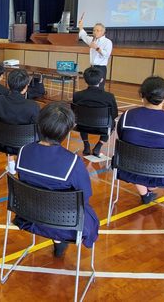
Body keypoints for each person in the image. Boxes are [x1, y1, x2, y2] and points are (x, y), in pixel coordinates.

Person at [15, 102, 99, 257]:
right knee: (88, 215)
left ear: (39, 124)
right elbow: (85, 196)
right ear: (67, 131)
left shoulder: (23, 151)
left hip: (28, 215)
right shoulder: (72, 162)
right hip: (63, 223)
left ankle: (58, 242)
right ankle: (59, 241)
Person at [117, 76, 164, 204]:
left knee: (133, 156)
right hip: (163, 175)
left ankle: (145, 192)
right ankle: (149, 186)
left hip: (128, 169)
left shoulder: (127, 116)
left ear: (141, 94)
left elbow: (122, 138)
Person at [0, 69, 40, 173]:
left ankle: (11, 163)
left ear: (8, 84)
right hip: (26, 147)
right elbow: (37, 128)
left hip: (3, 143)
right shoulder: (33, 106)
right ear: (25, 88)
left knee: (9, 128)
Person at [72, 66, 118, 156]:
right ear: (101, 80)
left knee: (82, 118)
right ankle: (98, 146)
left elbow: (75, 113)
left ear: (85, 80)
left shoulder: (77, 95)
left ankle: (86, 145)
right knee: (112, 122)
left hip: (82, 126)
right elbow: (114, 114)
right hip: (103, 127)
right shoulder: (109, 96)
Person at [78, 22, 113, 90]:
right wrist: (81, 27)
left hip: (101, 68)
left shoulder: (107, 42)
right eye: (94, 30)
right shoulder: (92, 40)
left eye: (97, 30)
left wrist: (96, 48)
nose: (95, 32)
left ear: (103, 32)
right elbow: (84, 36)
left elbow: (106, 55)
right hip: (92, 67)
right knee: (90, 87)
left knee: (99, 87)